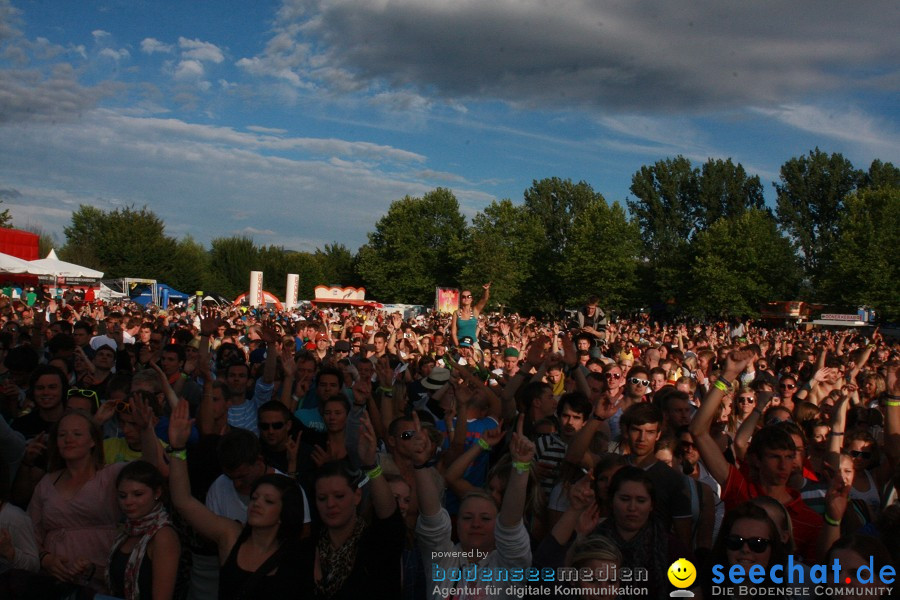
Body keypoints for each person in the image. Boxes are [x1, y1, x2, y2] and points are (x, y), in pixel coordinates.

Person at [166, 400, 307, 599]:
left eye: (268, 501)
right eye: (255, 497)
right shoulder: (230, 536)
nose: (256, 502)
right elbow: (183, 501)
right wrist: (178, 448)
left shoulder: (295, 556)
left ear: (284, 513)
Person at [417, 415, 533, 600]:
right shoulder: (443, 559)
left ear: (498, 524)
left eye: (485, 518)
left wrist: (521, 467)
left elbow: (511, 529)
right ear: (456, 522)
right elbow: (432, 523)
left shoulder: (509, 568)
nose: (476, 524)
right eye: (467, 517)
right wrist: (420, 465)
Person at [298, 412, 405, 599]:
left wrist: (371, 466)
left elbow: (390, 518)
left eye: (339, 496)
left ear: (357, 496)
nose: (330, 504)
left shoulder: (377, 543)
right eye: (322, 498)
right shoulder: (306, 548)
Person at [27, 410, 127, 595]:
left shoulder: (111, 475)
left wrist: (146, 429)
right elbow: (31, 531)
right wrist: (46, 559)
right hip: (54, 583)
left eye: (77, 434)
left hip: (101, 578)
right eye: (62, 435)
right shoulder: (46, 483)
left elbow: (151, 472)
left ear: (93, 441)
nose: (68, 439)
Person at [106, 460, 180, 600]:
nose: (128, 502)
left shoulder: (163, 536)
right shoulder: (126, 531)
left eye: (138, 494)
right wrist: (91, 571)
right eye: (122, 496)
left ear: (157, 492)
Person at [451, 283, 490, 348]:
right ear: (460, 299)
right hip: (459, 342)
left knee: (480, 357)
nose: (466, 298)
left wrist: (486, 290)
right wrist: (458, 347)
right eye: (463, 297)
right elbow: (453, 333)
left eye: (469, 296)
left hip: (473, 343)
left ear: (472, 299)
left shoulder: (475, 310)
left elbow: (484, 299)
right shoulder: (456, 313)